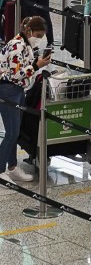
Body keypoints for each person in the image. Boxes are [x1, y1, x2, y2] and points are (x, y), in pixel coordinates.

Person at [0, 16, 50, 182]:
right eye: (38, 35)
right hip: (8, 90)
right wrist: (37, 65)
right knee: (11, 133)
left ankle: (12, 167)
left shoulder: (26, 44)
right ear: (29, 31)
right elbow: (16, 74)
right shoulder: (17, 45)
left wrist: (36, 62)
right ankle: (1, 170)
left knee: (15, 132)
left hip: (19, 89)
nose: (40, 39)